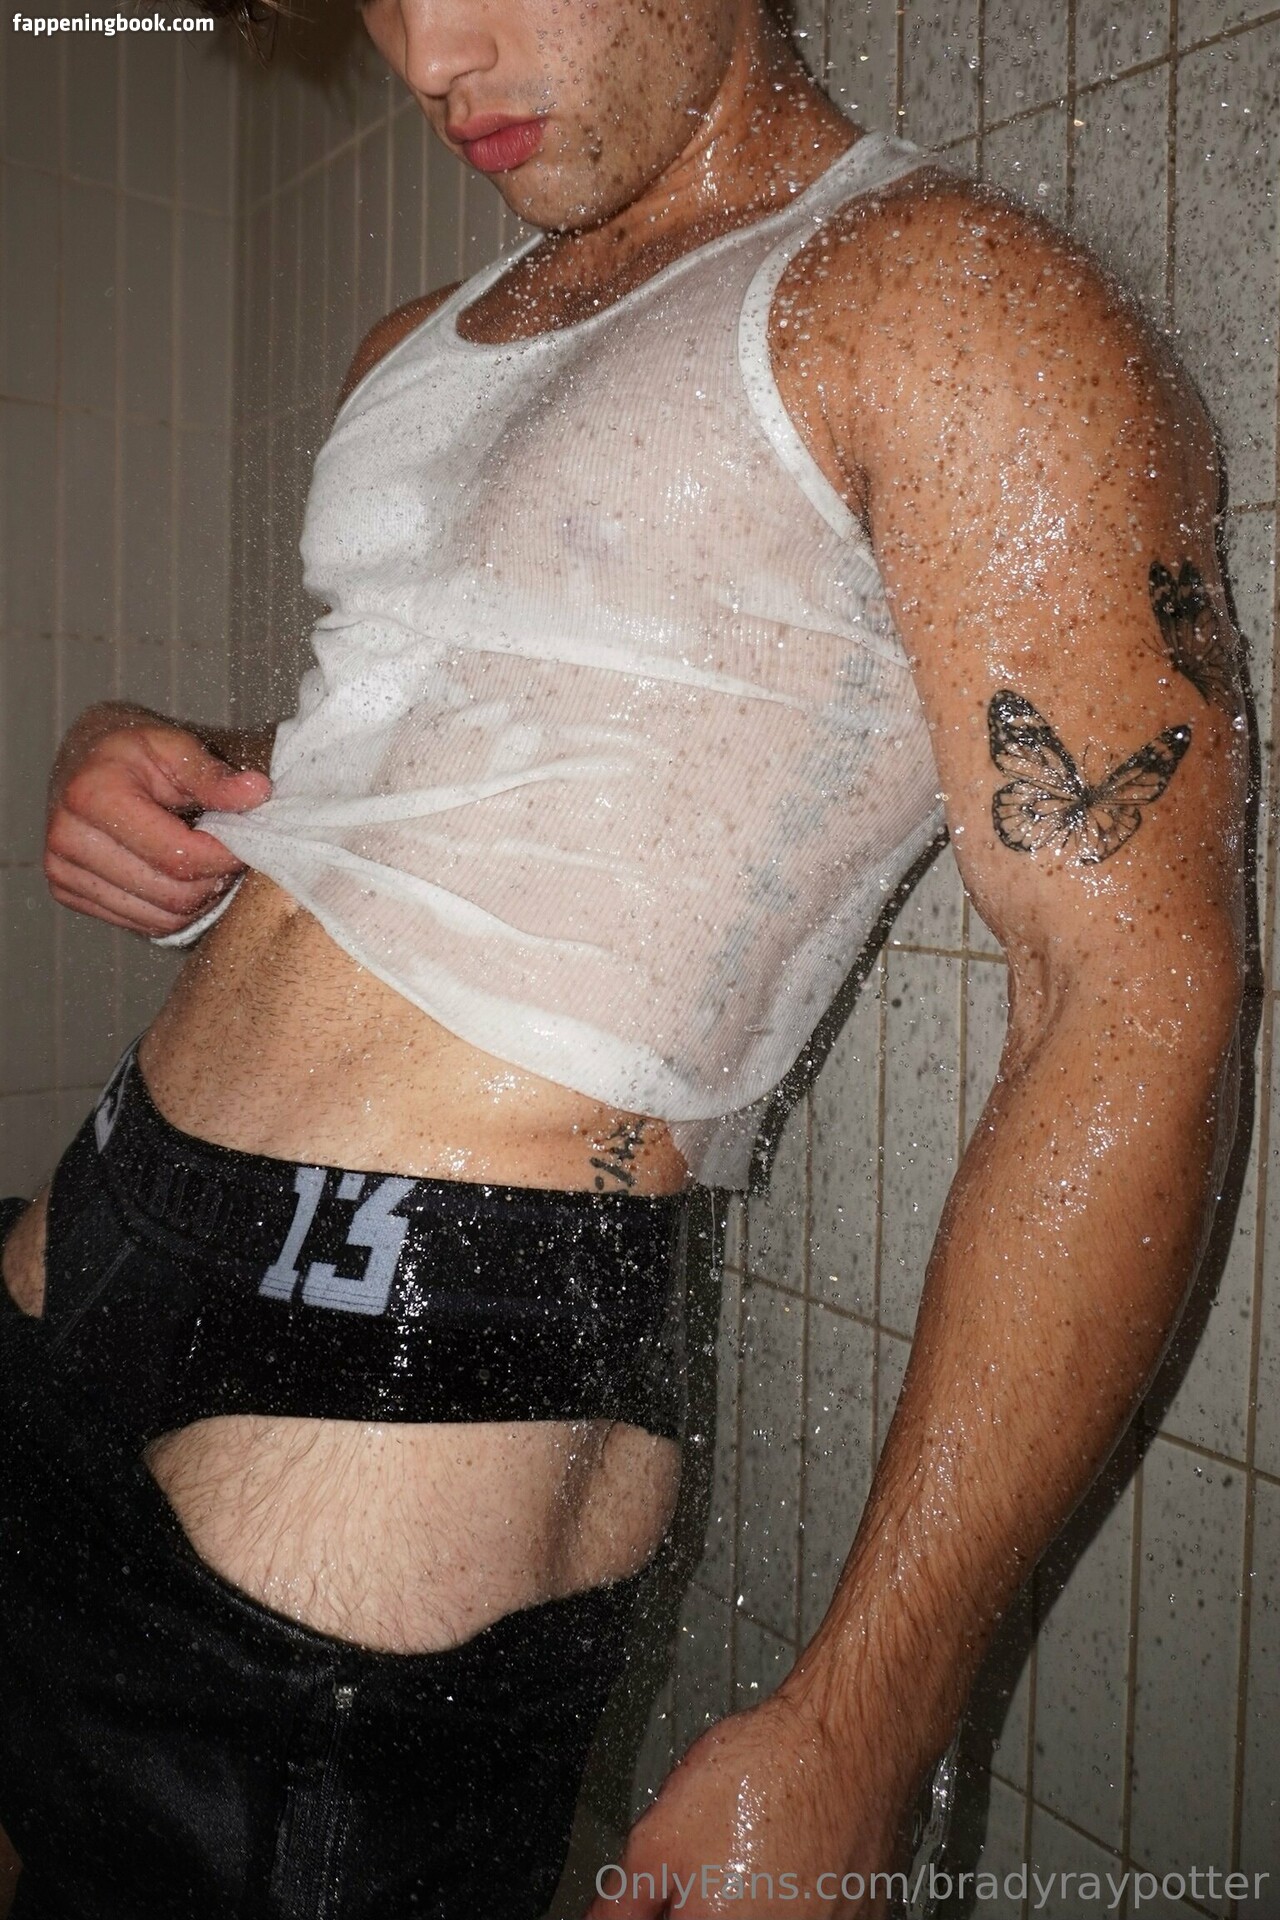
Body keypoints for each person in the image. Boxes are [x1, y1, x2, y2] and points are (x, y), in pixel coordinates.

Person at [0, 0, 1246, 1914]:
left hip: (402, 1366)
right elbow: (472, 774)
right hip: (89, 1222)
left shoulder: (947, 299)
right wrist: (175, 767)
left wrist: (867, 1726)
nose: (430, 54)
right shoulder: (414, 343)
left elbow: (1133, 1000)